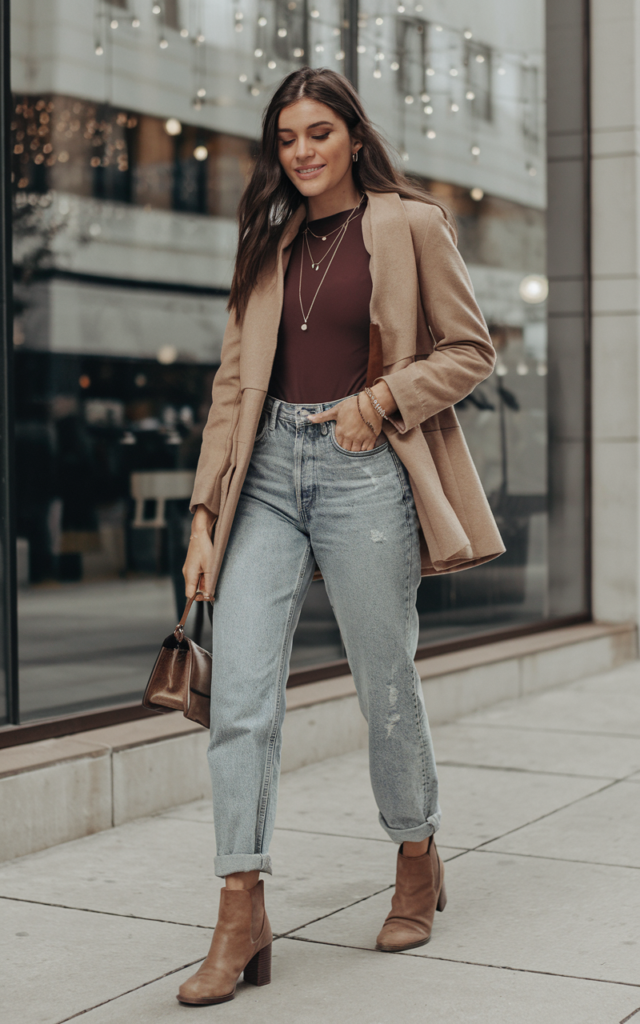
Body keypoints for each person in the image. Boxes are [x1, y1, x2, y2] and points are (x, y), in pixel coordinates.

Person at [178, 66, 504, 1006]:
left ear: (354, 137)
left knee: (384, 679)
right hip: (268, 476)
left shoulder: (409, 223)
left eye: (320, 133)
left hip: (365, 465)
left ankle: (416, 854)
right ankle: (241, 905)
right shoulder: (268, 243)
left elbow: (470, 350)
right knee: (239, 695)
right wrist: (205, 518)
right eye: (288, 139)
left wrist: (380, 400)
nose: (304, 152)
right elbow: (233, 390)